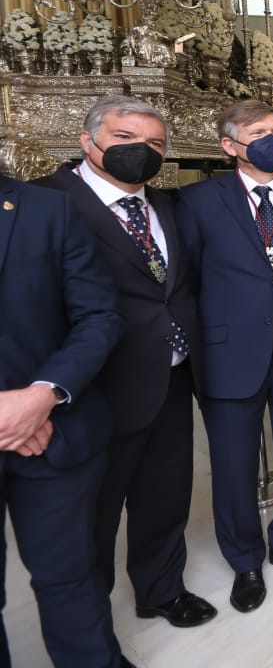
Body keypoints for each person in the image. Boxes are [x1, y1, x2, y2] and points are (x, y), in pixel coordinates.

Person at [36, 97, 216, 630]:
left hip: (170, 376)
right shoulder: (48, 203)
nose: (142, 151)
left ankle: (161, 589)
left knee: (165, 495)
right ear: (88, 140)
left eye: (156, 144)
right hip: (92, 389)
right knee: (92, 514)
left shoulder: (167, 204)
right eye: (125, 138)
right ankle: (90, 629)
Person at [179, 101, 273, 613]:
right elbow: (190, 281)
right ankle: (244, 559)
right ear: (230, 146)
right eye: (258, 132)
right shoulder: (198, 201)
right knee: (233, 463)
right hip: (229, 351)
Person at [0, 174, 127, 666]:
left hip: (54, 435)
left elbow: (99, 315)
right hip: (26, 425)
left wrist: (40, 397)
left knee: (71, 578)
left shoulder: (49, 210)